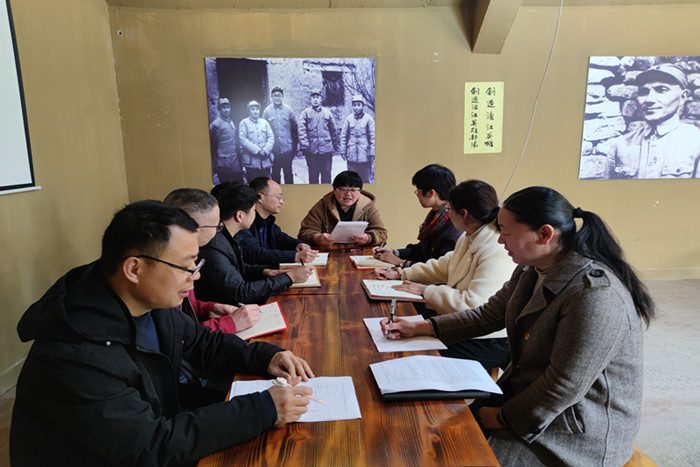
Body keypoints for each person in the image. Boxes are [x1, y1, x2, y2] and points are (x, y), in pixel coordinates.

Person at [10, 200, 315, 466]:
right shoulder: (74, 354)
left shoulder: (147, 299)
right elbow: (147, 446)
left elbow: (202, 341)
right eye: (186, 266)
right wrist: (262, 409)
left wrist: (266, 356)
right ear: (134, 269)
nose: (195, 277)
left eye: (196, 262)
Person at [381, 186, 655, 467]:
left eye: (506, 233)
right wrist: (422, 327)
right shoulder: (530, 269)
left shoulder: (595, 295)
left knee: (456, 453)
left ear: (545, 234)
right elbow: (488, 315)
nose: (500, 240)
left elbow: (563, 386)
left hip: (574, 429)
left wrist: (502, 417)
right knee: (431, 437)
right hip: (528, 398)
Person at [375, 180, 514, 371]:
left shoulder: (495, 248)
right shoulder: (470, 235)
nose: (447, 214)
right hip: (461, 327)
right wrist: (402, 273)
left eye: (450, 209)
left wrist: (426, 291)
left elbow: (473, 307)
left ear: (463, 214)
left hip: (487, 339)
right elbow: (446, 264)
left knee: (414, 356)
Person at [196, 182, 314, 305]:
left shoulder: (228, 236)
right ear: (240, 216)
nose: (255, 214)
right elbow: (241, 293)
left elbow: (238, 268)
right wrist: (290, 278)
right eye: (253, 210)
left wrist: (265, 271)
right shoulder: (213, 247)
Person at [164, 188, 261, 334]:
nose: (219, 230)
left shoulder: (184, 254)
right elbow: (177, 336)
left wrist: (209, 308)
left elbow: (184, 307)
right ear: (195, 229)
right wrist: (230, 323)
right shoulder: (165, 265)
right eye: (217, 226)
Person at [605, 63, 700, 179]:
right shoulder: (620, 145)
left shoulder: (696, 142)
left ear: (683, 97)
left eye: (662, 90)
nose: (649, 99)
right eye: (643, 92)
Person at [373, 164, 461, 267]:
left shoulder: (453, 225)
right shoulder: (438, 215)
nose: (417, 195)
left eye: (418, 191)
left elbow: (441, 269)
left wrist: (400, 262)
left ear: (431, 193)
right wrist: (395, 252)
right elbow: (423, 250)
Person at [236, 177, 318, 266]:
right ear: (260, 198)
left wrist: (299, 244)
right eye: (278, 197)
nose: (281, 202)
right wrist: (295, 256)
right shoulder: (244, 221)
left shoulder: (268, 221)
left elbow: (281, 239)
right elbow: (254, 253)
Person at [298, 170, 387, 247]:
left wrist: (368, 238)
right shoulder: (322, 205)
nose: (348, 194)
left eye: (353, 190)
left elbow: (382, 235)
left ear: (359, 191)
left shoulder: (368, 206)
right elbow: (304, 234)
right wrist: (318, 238)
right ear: (334, 190)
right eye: (343, 189)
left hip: (360, 251)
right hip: (329, 251)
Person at [298, 88, 339, 184]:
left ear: (321, 99)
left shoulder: (327, 113)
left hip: (326, 151)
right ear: (311, 99)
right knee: (313, 177)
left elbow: (333, 130)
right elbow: (301, 130)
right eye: (313, 97)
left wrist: (335, 145)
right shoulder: (305, 113)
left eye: (317, 97)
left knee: (326, 177)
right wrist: (305, 146)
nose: (315, 99)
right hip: (312, 152)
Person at [263, 87, 299, 184]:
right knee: (275, 173)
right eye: (275, 96)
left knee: (288, 173)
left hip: (287, 148)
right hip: (274, 149)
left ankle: (290, 191)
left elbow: (295, 130)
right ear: (271, 97)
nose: (277, 98)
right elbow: (264, 130)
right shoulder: (267, 111)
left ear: (282, 97)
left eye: (279, 95)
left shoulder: (289, 110)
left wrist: (295, 147)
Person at [339, 94, 375, 183]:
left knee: (365, 180)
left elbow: (373, 137)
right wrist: (343, 151)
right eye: (354, 105)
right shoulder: (348, 119)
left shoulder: (369, 119)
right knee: (352, 181)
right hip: (351, 156)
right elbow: (343, 136)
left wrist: (372, 152)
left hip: (365, 156)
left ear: (362, 106)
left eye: (358, 105)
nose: (356, 107)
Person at [209, 97, 244, 183]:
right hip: (222, 161)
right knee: (225, 184)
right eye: (223, 108)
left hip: (234, 159)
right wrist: (214, 163)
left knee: (239, 182)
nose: (226, 110)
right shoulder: (215, 125)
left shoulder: (231, 121)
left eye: (228, 107)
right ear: (219, 109)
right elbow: (213, 145)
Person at [239, 100, 275, 181]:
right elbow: (242, 139)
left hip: (265, 161)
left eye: (257, 109)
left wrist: (265, 150)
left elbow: (271, 137)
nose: (255, 111)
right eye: (252, 109)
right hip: (251, 162)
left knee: (266, 183)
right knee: (253, 183)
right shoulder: (244, 123)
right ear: (249, 111)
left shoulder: (264, 122)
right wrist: (258, 151)